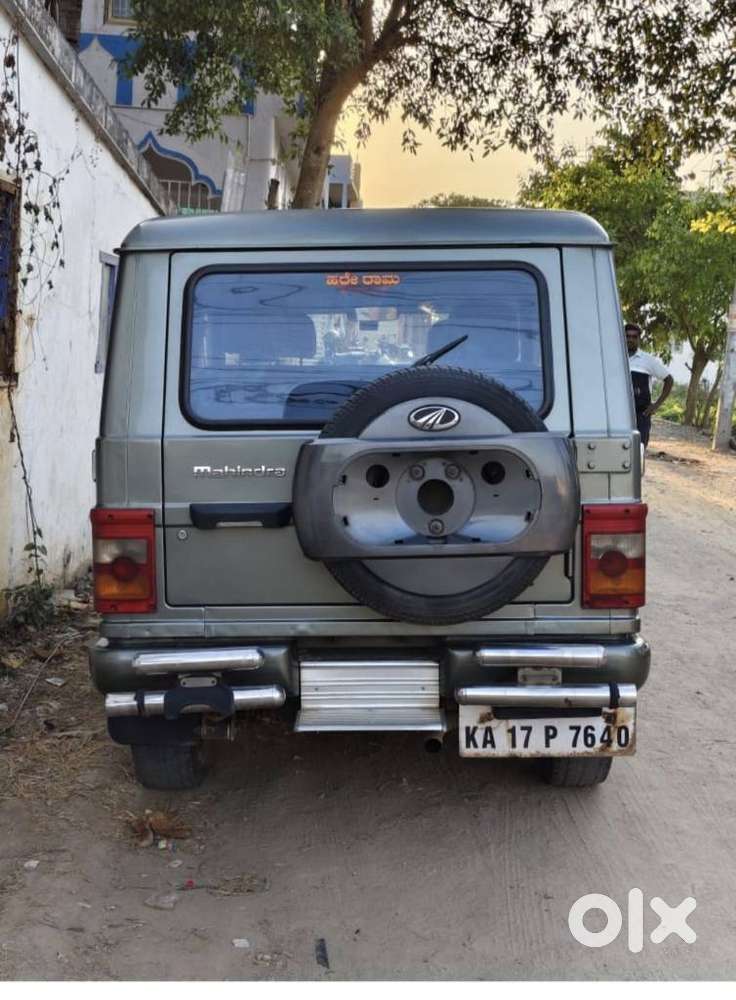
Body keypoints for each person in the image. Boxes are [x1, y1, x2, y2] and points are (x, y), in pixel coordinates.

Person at [625, 322, 674, 447]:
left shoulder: (647, 360)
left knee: (638, 452)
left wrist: (656, 405)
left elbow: (669, 380)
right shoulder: (616, 357)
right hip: (619, 414)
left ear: (639, 339)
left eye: (634, 337)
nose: (630, 339)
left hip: (641, 415)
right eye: (628, 336)